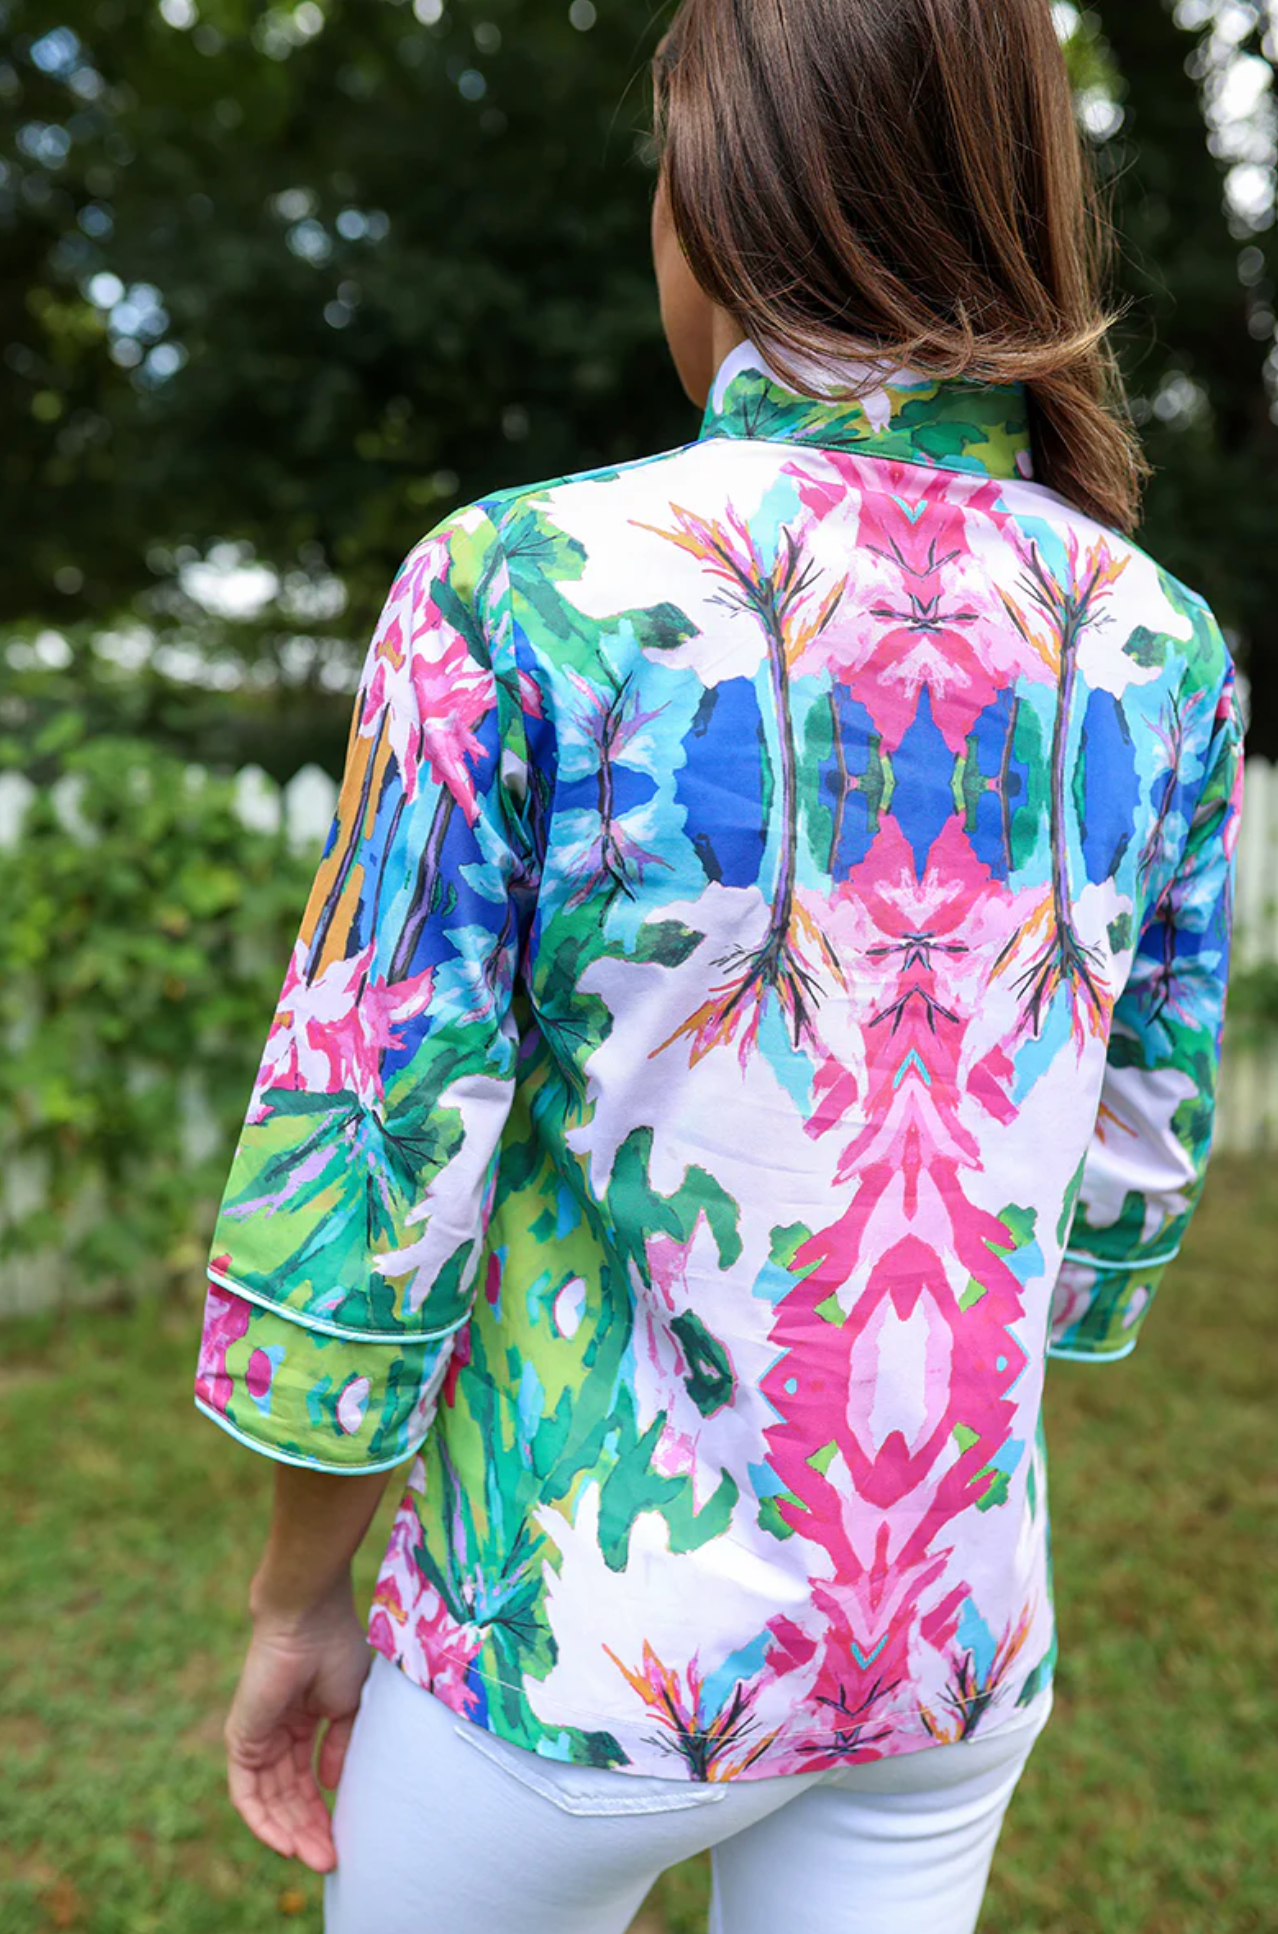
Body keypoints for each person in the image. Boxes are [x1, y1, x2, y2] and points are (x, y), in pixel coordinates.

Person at [192, 0, 1245, 1928]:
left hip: (566, 1649)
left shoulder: (520, 588)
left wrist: (297, 1594)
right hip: (944, 1654)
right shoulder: (1157, 642)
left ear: (721, 190)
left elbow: (366, 1156)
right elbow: (1129, 1170)